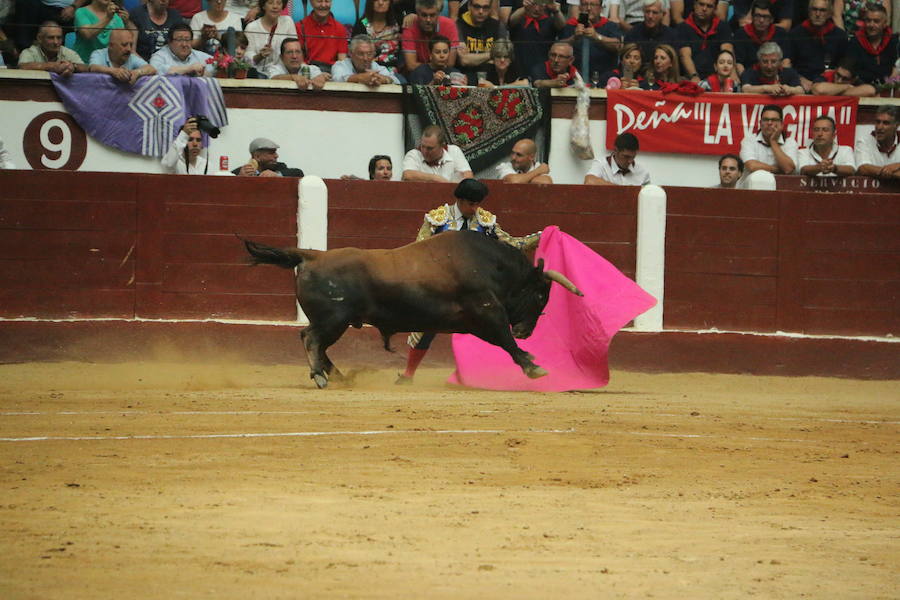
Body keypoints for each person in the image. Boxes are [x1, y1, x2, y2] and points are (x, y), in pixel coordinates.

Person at [397, 177, 541, 384]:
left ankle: (470, 375)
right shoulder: (437, 218)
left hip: (474, 290)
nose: (475, 209)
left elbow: (512, 244)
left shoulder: (485, 221)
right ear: (460, 200)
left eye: (478, 204)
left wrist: (540, 237)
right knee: (425, 327)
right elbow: (420, 250)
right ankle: (408, 374)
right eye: (471, 204)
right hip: (441, 285)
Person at [789, 0, 848, 93]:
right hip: (800, 84)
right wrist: (799, 79)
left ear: (829, 14)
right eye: (814, 9)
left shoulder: (840, 36)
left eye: (822, 10)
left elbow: (843, 65)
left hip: (829, 85)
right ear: (809, 12)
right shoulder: (795, 33)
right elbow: (787, 64)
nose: (817, 14)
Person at [559, 0, 623, 79]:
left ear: (600, 8)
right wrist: (574, 38)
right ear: (580, 7)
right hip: (574, 77)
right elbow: (557, 46)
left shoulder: (610, 26)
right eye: (585, 4)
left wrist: (597, 36)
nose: (589, 8)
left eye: (593, 4)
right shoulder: (571, 25)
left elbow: (618, 46)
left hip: (604, 77)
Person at [675, 0, 733, 81]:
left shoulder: (722, 27)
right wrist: (694, 76)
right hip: (691, 77)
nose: (704, 9)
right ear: (694, 5)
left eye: (709, 6)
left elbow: (727, 51)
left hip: (718, 78)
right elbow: (685, 55)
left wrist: (732, 75)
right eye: (701, 4)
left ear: (715, 8)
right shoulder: (683, 27)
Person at [508, 0, 566, 77]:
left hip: (542, 71)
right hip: (519, 68)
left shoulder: (550, 21)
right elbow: (511, 21)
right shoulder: (519, 20)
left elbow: (562, 26)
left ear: (546, 6)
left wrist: (556, 11)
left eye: (541, 5)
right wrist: (525, 8)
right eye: (533, 5)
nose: (537, 9)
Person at [845, 3, 897, 85]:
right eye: (868, 20)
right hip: (862, 89)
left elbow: (896, 71)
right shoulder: (855, 42)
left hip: (889, 88)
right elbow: (849, 72)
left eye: (876, 21)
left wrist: (887, 86)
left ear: (885, 24)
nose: (871, 25)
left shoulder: (894, 41)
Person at [731, 0, 789, 74]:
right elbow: (739, 64)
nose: (761, 20)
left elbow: (785, 61)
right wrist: (746, 80)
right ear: (752, 17)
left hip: (775, 78)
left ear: (772, 19)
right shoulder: (741, 34)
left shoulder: (781, 34)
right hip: (749, 78)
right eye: (757, 16)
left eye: (766, 17)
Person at [402, 0, 461, 73]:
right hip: (418, 73)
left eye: (432, 15)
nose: (428, 20)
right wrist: (434, 66)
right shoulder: (410, 25)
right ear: (417, 14)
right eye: (424, 15)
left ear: (439, 14)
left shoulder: (450, 25)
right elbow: (411, 66)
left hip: (444, 72)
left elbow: (450, 63)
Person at [455, 0, 506, 83]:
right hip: (466, 77)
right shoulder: (458, 25)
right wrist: (492, 54)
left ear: (490, 9)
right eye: (477, 7)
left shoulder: (497, 26)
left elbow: (503, 57)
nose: (481, 11)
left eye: (485, 7)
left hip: (492, 78)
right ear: (469, 6)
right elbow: (464, 60)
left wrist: (473, 58)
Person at [739, 104, 798, 175]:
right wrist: (778, 170)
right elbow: (752, 166)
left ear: (781, 124)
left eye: (774, 120)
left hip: (781, 184)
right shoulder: (749, 140)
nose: (769, 123)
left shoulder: (790, 142)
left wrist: (773, 142)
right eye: (766, 120)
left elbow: (788, 169)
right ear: (760, 123)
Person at [401, 125, 473, 183]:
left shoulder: (454, 151)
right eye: (422, 146)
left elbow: (468, 177)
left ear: (442, 145)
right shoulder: (414, 154)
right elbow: (408, 176)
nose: (425, 151)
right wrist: (437, 179)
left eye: (430, 148)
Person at [352, 0, 402, 79]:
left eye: (385, 0)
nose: (380, 2)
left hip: (392, 72)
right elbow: (355, 54)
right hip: (366, 71)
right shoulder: (360, 25)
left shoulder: (398, 23)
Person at [244, 0, 296, 74]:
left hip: (284, 72)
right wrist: (260, 56)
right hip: (259, 74)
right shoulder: (251, 27)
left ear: (282, 6)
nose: (275, 7)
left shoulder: (288, 22)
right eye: (270, 3)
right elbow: (246, 60)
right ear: (263, 6)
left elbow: (295, 47)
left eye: (279, 3)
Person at [89, 26, 157, 82]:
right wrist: (114, 71)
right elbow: (93, 68)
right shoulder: (98, 54)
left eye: (131, 44)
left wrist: (137, 72)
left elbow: (151, 69)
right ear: (111, 45)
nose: (129, 49)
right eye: (124, 45)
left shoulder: (131, 57)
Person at [18, 20, 88, 75]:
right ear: (39, 38)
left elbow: (85, 68)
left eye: (59, 37)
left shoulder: (67, 52)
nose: (56, 42)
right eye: (51, 38)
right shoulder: (30, 52)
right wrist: (52, 66)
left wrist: (73, 66)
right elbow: (22, 66)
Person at [296, 0, 348, 72]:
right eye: (319, 1)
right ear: (311, 2)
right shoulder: (300, 27)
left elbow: (342, 60)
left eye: (327, 1)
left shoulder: (340, 28)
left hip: (332, 72)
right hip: (309, 71)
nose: (323, 5)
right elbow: (298, 59)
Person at [584, 132, 651, 185]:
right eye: (626, 156)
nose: (630, 161)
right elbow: (589, 181)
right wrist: (620, 191)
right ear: (615, 150)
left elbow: (649, 194)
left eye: (633, 157)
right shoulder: (601, 165)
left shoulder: (642, 172)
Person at [331, 34, 401, 84]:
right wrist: (360, 78)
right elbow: (337, 79)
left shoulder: (376, 66)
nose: (365, 58)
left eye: (369, 54)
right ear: (350, 53)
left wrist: (384, 79)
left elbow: (396, 81)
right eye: (361, 54)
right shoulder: (340, 65)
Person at [150, 22, 215, 75]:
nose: (184, 44)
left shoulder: (201, 56)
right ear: (169, 42)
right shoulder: (159, 56)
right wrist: (189, 69)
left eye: (187, 39)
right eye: (179, 39)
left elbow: (217, 68)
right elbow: (154, 70)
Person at [855, 105, 900, 180]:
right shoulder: (864, 141)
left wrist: (898, 165)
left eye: (886, 123)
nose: (879, 127)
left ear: (896, 125)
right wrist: (889, 171)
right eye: (877, 122)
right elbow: (863, 168)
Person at [267, 37, 331, 89]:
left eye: (298, 52)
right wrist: (294, 77)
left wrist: (321, 78)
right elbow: (273, 78)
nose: (294, 56)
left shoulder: (311, 69)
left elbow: (319, 78)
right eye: (289, 52)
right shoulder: (274, 68)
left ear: (303, 56)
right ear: (281, 57)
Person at [232, 137, 305, 177]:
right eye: (271, 153)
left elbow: (298, 173)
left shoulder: (279, 167)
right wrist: (239, 178)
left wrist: (277, 175)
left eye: (275, 152)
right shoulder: (241, 172)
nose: (276, 156)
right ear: (257, 156)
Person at [810, 57, 876, 96]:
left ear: (854, 79)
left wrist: (832, 91)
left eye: (845, 79)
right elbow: (818, 90)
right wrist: (847, 86)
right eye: (838, 75)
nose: (839, 81)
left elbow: (870, 90)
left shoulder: (857, 80)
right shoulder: (827, 75)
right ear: (836, 69)